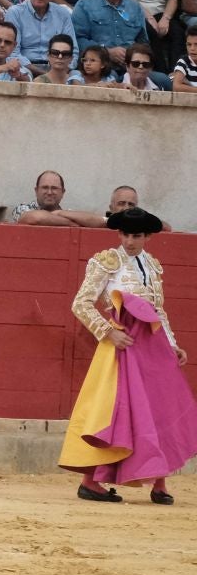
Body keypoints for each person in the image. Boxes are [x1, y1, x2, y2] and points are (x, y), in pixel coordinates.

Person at [60, 206, 192, 504]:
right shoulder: (107, 261)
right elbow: (80, 304)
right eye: (125, 234)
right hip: (121, 347)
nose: (130, 241)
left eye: (136, 236)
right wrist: (108, 332)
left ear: (147, 237)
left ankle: (160, 482)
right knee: (116, 414)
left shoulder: (153, 265)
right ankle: (89, 481)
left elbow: (158, 311)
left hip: (152, 348)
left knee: (158, 410)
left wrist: (171, 344)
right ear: (119, 234)